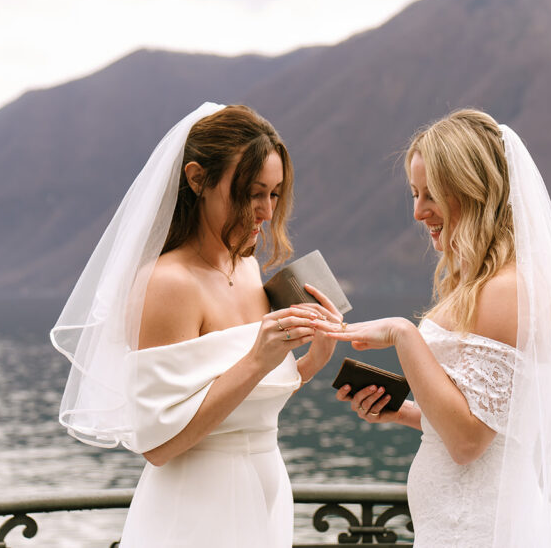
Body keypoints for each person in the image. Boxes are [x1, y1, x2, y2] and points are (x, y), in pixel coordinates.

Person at [327, 109, 551, 547]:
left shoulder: (505, 291)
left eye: (431, 195)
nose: (418, 211)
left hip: (485, 530)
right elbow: (488, 423)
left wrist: (403, 336)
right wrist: (406, 413)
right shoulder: (481, 284)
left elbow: (468, 442)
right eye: (414, 193)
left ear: (472, 192)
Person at [50, 103, 342, 547]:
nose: (265, 211)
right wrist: (258, 360)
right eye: (251, 192)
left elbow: (247, 403)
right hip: (198, 509)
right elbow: (157, 445)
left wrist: (312, 360)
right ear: (197, 179)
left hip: (267, 495)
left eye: (275, 193)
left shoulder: (245, 268)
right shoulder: (168, 283)